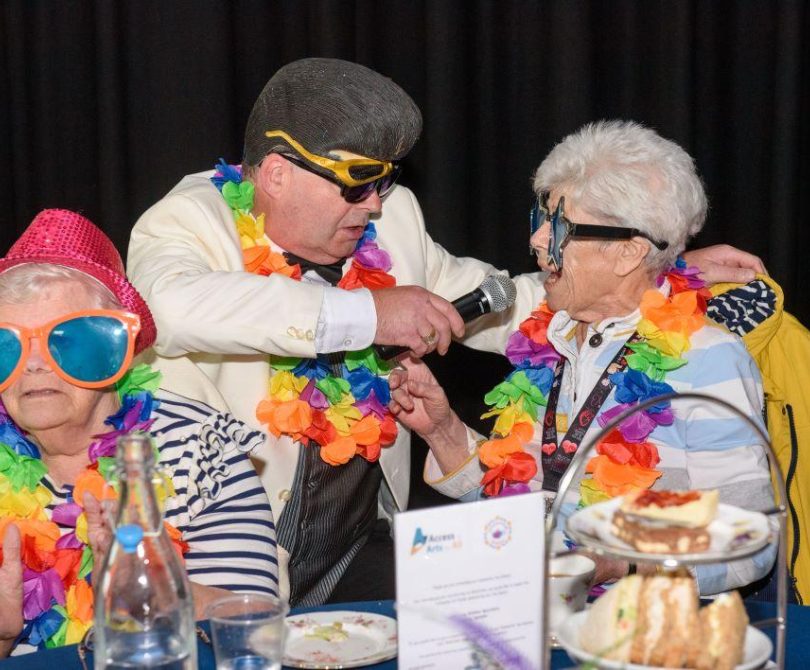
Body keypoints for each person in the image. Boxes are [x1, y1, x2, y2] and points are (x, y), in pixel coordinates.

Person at [126, 58, 765, 605]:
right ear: (275, 173)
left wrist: (652, 268)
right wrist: (372, 316)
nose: (374, 204)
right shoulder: (187, 221)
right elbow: (171, 309)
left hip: (359, 542)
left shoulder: (392, 221)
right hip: (235, 553)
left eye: (384, 181)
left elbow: (498, 302)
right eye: (356, 185)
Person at [389, 121, 775, 595]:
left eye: (560, 227)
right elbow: (516, 509)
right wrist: (443, 431)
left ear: (628, 253)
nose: (537, 240)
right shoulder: (550, 342)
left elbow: (749, 541)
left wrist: (622, 565)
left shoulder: (708, 358)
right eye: (541, 218)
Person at [0, 210, 279, 656]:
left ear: (118, 351)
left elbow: (253, 633)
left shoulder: (198, 451)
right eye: (8, 344)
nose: (34, 365)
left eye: (67, 340)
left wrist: (152, 592)